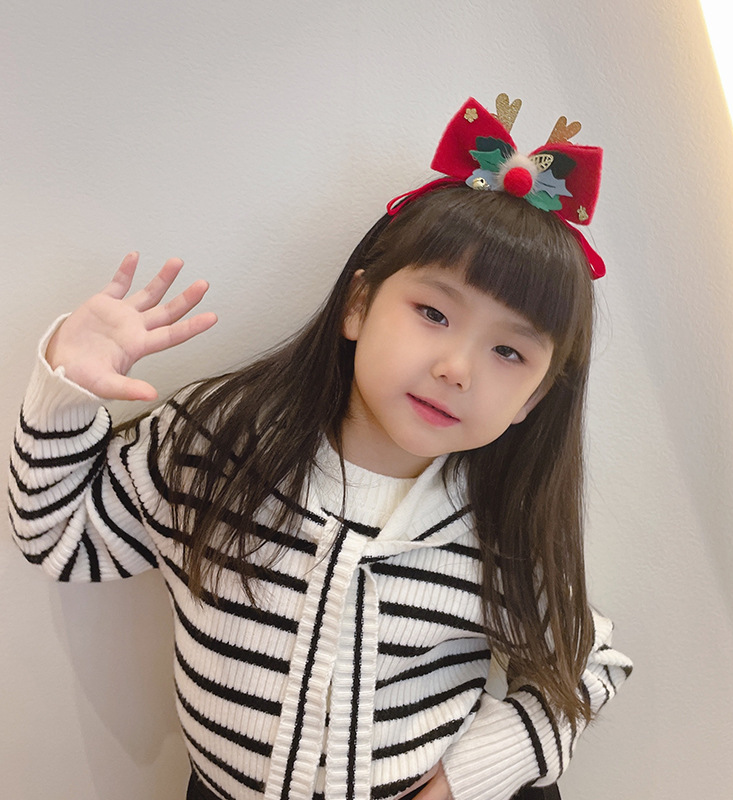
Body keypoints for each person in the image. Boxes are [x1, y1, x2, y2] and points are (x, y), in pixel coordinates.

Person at [8, 97, 631, 800]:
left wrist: (475, 773)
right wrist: (68, 384)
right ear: (358, 305)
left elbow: (591, 665)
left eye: (509, 351)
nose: (457, 367)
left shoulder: (501, 526)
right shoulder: (219, 441)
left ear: (534, 400)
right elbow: (61, 538)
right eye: (433, 312)